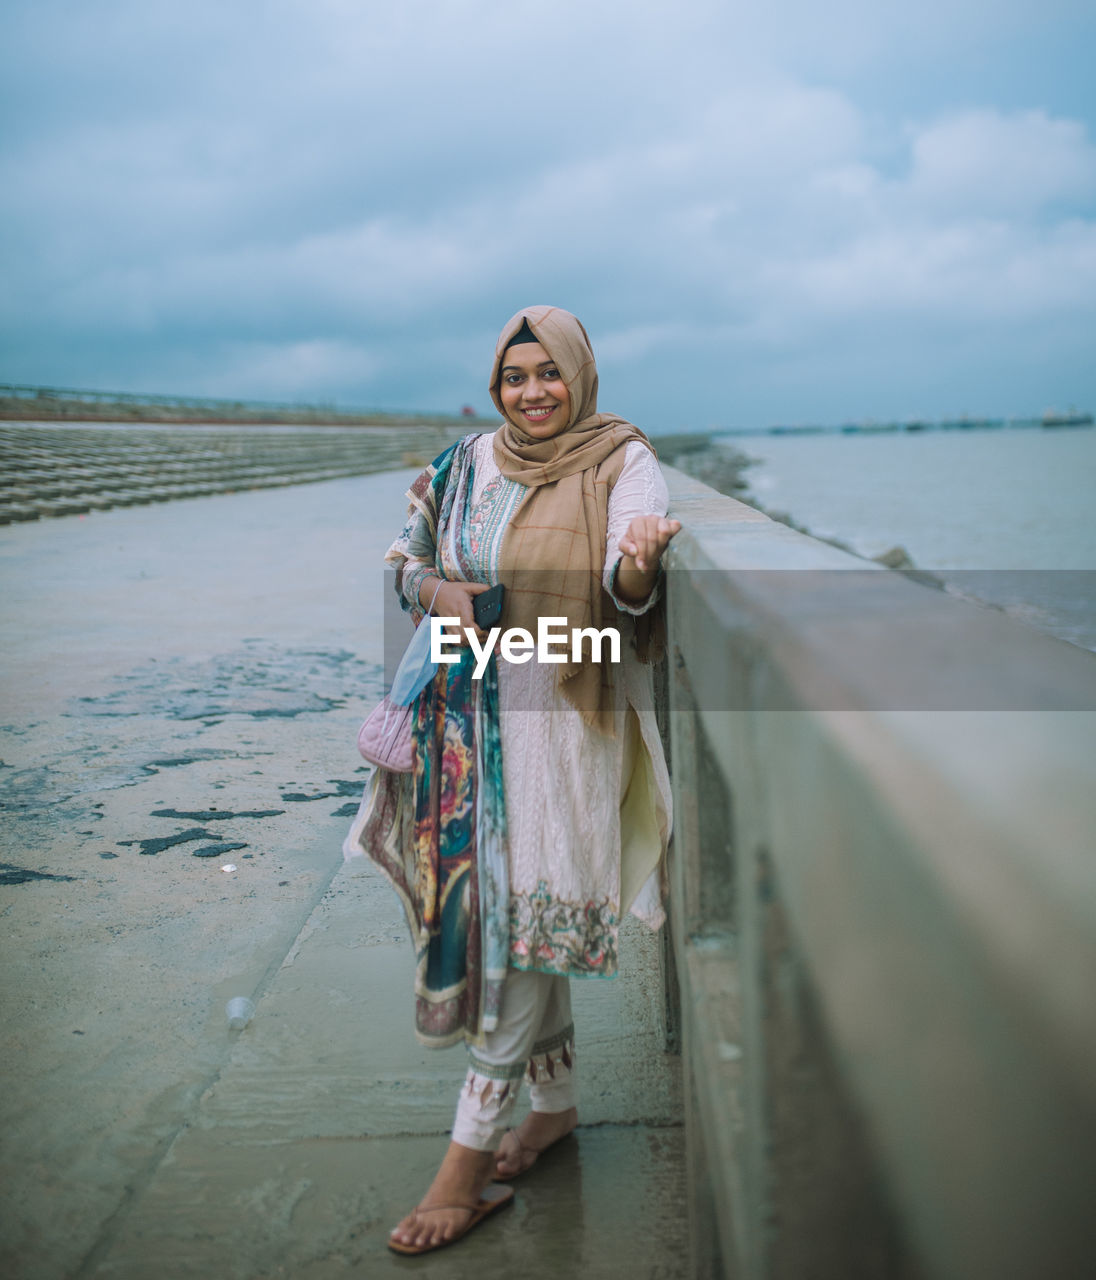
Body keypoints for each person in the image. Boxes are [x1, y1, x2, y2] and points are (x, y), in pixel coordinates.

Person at [344, 304, 681, 1255]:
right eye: (514, 378)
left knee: (524, 924)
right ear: (496, 385)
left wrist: (638, 566)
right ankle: (555, 1108)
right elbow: (403, 563)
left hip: (562, 720)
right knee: (502, 909)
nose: (533, 394)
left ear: (580, 374)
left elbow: (627, 589)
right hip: (459, 720)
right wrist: (438, 591)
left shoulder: (623, 460)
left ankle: (464, 1161)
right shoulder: (463, 464)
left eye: (549, 374)